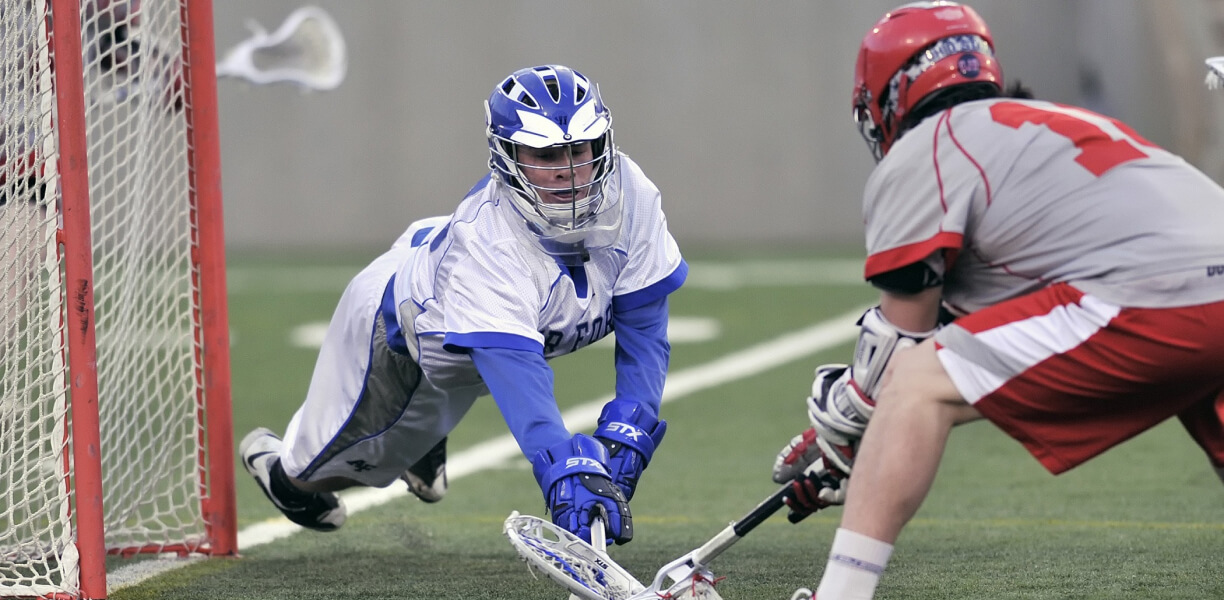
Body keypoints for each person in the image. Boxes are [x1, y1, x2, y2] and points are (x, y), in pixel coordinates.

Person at [769, 2, 1224, 599]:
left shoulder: (929, 147)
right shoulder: (1052, 124)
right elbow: (986, 319)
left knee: (917, 382)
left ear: (892, 92)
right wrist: (860, 442)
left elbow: (901, 348)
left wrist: (844, 433)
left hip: (1153, 292)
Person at [240, 64, 686, 547]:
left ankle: (423, 437)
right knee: (320, 474)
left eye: (580, 149)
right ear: (506, 156)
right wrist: (563, 467)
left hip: (465, 314)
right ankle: (279, 470)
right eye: (545, 154)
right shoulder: (488, 246)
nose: (569, 170)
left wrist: (630, 428)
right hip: (401, 333)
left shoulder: (632, 192)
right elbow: (520, 379)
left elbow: (645, 326)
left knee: (450, 393)